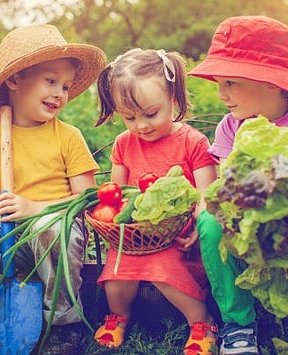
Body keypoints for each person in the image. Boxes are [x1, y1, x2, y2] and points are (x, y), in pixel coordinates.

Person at [0, 24, 106, 353]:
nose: (60, 93)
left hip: (51, 233)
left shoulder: (67, 136)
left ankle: (64, 324)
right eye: (50, 81)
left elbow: (87, 199)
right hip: (3, 234)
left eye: (66, 86)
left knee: (53, 227)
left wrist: (35, 208)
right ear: (14, 81)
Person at [188, 16, 288, 355]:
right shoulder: (229, 128)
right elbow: (227, 182)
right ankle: (238, 324)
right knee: (209, 223)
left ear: (272, 83)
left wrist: (269, 194)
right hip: (245, 212)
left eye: (230, 83)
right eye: (219, 83)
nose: (221, 95)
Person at [93, 48, 219, 354]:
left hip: (178, 235)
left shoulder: (193, 142)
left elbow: (206, 192)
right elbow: (117, 194)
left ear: (173, 100)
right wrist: (115, 224)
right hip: (135, 236)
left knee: (165, 274)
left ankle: (201, 321)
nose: (142, 125)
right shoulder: (124, 144)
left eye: (151, 114)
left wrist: (199, 227)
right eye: (129, 117)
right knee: (116, 275)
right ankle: (118, 316)